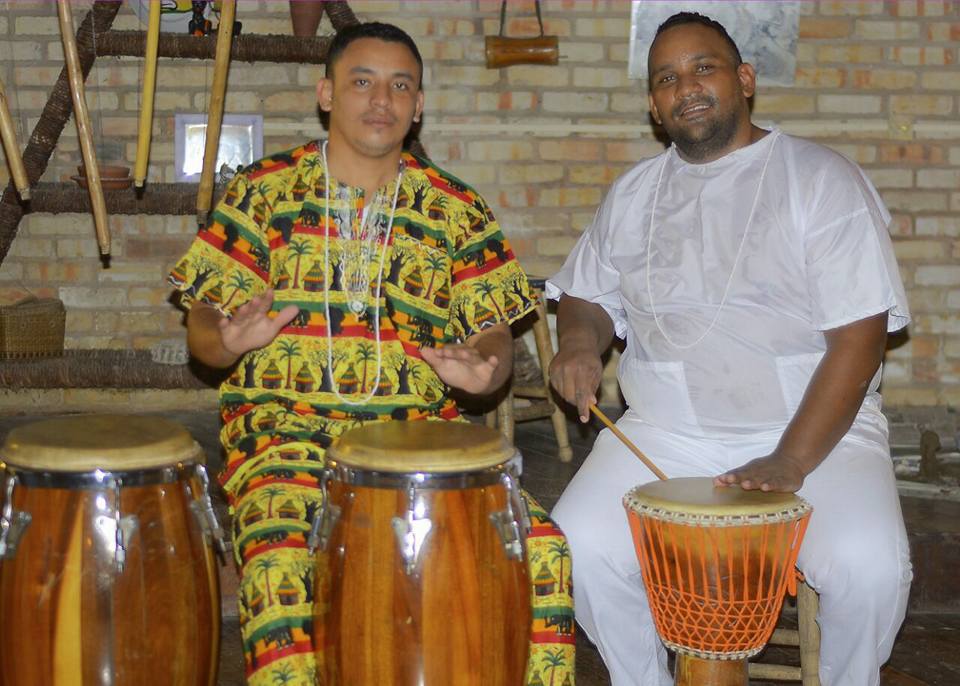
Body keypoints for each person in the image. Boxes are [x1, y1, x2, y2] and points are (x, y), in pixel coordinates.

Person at [169, 22, 575, 685]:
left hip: (419, 438)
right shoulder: (262, 192)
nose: (381, 100)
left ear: (419, 106)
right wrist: (226, 340)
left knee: (545, 549)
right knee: (279, 564)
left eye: (400, 85)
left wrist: (486, 368)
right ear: (327, 94)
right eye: (362, 81)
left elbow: (492, 335)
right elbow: (204, 327)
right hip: (285, 436)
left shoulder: (456, 208)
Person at [546, 12, 910, 686]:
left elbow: (860, 340)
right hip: (667, 431)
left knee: (868, 566)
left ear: (744, 79)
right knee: (575, 544)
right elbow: (586, 296)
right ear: (653, 104)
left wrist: (790, 458)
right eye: (666, 78)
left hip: (816, 430)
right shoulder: (633, 193)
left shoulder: (820, 178)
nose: (685, 87)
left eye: (703, 68)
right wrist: (577, 344)